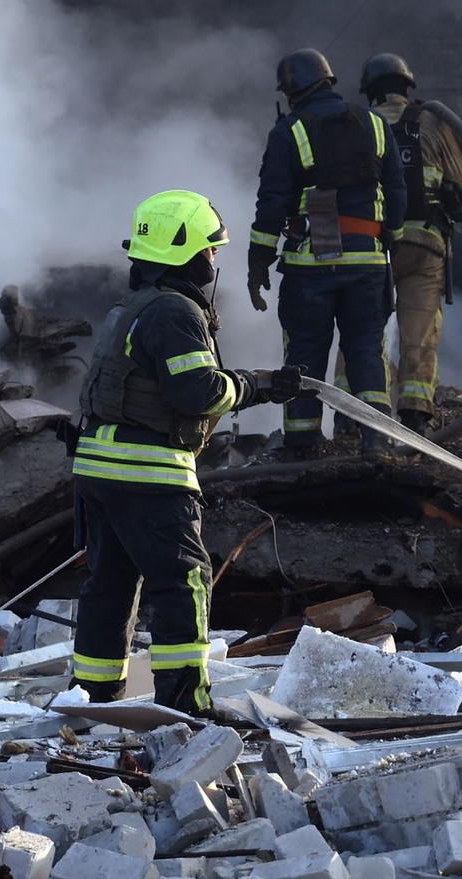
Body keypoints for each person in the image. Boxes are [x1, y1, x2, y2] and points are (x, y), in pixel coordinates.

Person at [71, 190, 302, 716]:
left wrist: (258, 382)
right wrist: (253, 386)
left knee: (109, 584)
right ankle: (184, 703)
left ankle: (91, 699)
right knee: (184, 582)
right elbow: (197, 393)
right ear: (190, 253)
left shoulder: (130, 307)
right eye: (212, 251)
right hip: (148, 471)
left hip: (99, 468)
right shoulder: (175, 312)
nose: (214, 261)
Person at [247, 48, 405, 457]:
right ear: (329, 80)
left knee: (303, 353)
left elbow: (273, 201)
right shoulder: (374, 123)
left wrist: (257, 262)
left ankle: (301, 442)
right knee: (366, 353)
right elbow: (397, 192)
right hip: (368, 266)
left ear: (293, 89)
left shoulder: (289, 132)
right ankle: (376, 440)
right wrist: (390, 236)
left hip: (310, 269)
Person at [357, 52, 462, 433]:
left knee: (363, 329)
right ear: (407, 88)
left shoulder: (359, 124)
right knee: (420, 332)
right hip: (425, 243)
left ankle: (354, 416)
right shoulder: (431, 120)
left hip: (372, 244)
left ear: (369, 92)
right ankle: (415, 416)